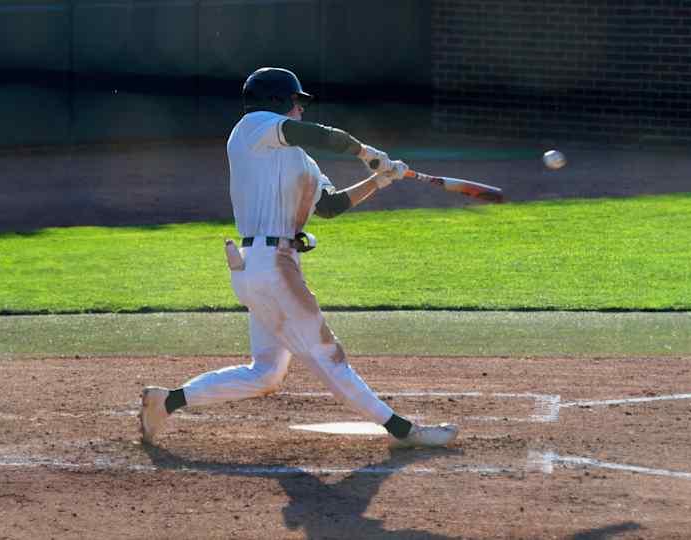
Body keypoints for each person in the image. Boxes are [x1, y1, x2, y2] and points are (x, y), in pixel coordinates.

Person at [139, 67, 458, 449]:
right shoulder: (253, 127)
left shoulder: (301, 163)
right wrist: (366, 152)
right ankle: (404, 431)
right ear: (276, 102)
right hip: (270, 267)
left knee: (266, 373)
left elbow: (330, 205)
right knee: (327, 355)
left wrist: (379, 180)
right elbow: (320, 136)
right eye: (296, 102)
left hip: (263, 268)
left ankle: (166, 401)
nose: (300, 110)